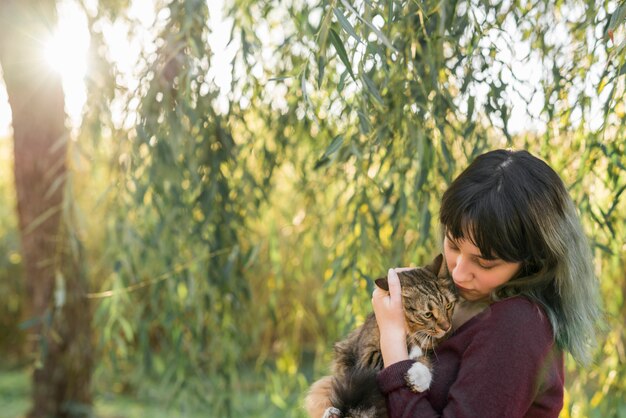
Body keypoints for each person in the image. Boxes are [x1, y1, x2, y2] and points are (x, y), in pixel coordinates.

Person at [371, 149, 600, 418]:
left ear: (532, 261)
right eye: (453, 245)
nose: (459, 273)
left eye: (485, 263)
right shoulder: (460, 299)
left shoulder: (519, 325)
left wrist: (394, 349)